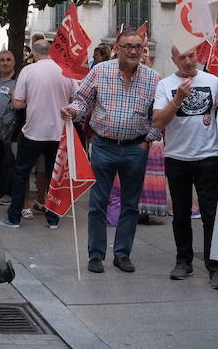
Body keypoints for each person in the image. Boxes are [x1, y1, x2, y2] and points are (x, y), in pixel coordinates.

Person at [63, 29, 161, 272]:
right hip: (104, 146)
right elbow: (82, 99)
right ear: (117, 47)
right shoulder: (100, 71)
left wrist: (147, 141)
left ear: (143, 49)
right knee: (98, 203)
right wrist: (73, 110)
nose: (132, 51)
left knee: (130, 205)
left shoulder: (152, 78)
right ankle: (95, 255)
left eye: (137, 46)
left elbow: (157, 116)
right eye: (127, 46)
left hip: (135, 148)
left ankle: (122, 254)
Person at [152, 45, 218, 287]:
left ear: (198, 55)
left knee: (211, 214)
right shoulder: (164, 85)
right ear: (173, 59)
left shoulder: (213, 81)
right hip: (177, 157)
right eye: (181, 57)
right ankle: (184, 260)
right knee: (181, 214)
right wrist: (177, 99)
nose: (187, 61)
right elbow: (158, 121)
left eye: (191, 55)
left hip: (208, 156)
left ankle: (215, 265)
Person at [2, 38, 73, 228]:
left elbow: (18, 103)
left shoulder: (28, 70)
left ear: (34, 53)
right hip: (58, 132)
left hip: (33, 131)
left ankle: (14, 217)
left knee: (21, 172)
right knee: (54, 175)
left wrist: (29, 101)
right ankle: (53, 218)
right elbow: (75, 99)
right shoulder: (65, 71)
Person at [0, 50, 19, 204]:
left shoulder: (18, 82)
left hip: (10, 131)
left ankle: (8, 193)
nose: (5, 62)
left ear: (14, 62)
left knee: (9, 162)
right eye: (2, 60)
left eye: (9, 59)